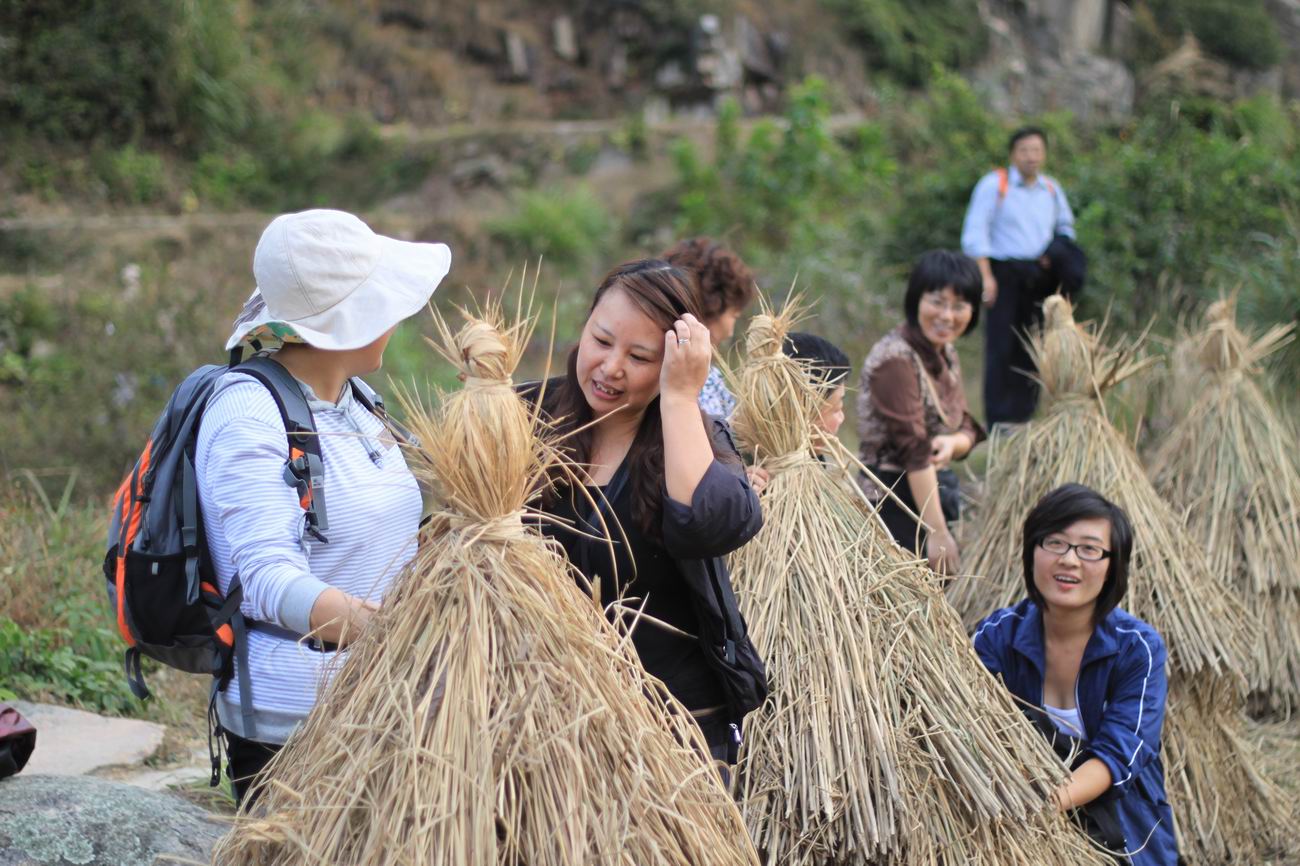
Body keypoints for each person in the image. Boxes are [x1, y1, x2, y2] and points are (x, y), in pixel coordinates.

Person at [196, 209, 451, 806]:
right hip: (300, 732)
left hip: (382, 702)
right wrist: (394, 633)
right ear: (347, 321)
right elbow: (264, 579)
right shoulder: (246, 415)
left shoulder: (355, 400)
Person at [527, 259, 766, 771]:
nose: (611, 367)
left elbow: (710, 525)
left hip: (667, 730)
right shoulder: (528, 417)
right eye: (602, 340)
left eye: (639, 356)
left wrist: (680, 398)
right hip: (538, 717)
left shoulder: (695, 436)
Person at [973, 484, 1178, 866]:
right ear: (1032, 552)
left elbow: (1119, 756)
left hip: (1118, 826)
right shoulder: (997, 636)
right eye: (1055, 543)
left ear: (1112, 566)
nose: (1069, 560)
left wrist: (1042, 807)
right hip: (1011, 814)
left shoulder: (1138, 648)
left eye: (1089, 549)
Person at [856, 250, 985, 574]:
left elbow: (965, 423)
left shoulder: (944, 352)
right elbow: (914, 450)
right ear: (916, 300)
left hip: (930, 494)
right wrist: (937, 532)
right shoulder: (896, 361)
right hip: (892, 502)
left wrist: (954, 443)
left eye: (959, 306)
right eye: (937, 302)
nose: (947, 316)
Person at [961, 126, 1078, 427]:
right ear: (1013, 154)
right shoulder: (994, 185)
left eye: (1037, 150)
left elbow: (1066, 228)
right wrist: (985, 276)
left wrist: (1054, 254)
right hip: (1004, 272)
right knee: (1001, 346)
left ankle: (1025, 416)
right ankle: (999, 419)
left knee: (1033, 346)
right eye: (1025, 150)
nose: (1031, 157)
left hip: (1038, 275)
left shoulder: (1051, 189)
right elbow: (976, 234)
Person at [662, 237, 758, 419]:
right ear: (714, 306)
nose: (730, 331)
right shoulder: (703, 380)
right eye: (733, 316)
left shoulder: (711, 377)